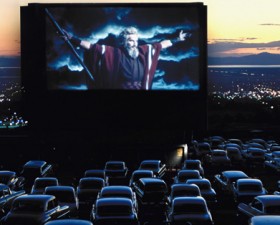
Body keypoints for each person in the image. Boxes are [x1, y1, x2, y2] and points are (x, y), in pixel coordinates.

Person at [64, 27, 190, 89]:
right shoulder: (115, 53)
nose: (134, 43)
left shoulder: (144, 50)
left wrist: (177, 39)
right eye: (130, 40)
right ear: (124, 42)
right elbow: (92, 47)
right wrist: (72, 39)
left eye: (136, 40)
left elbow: (162, 45)